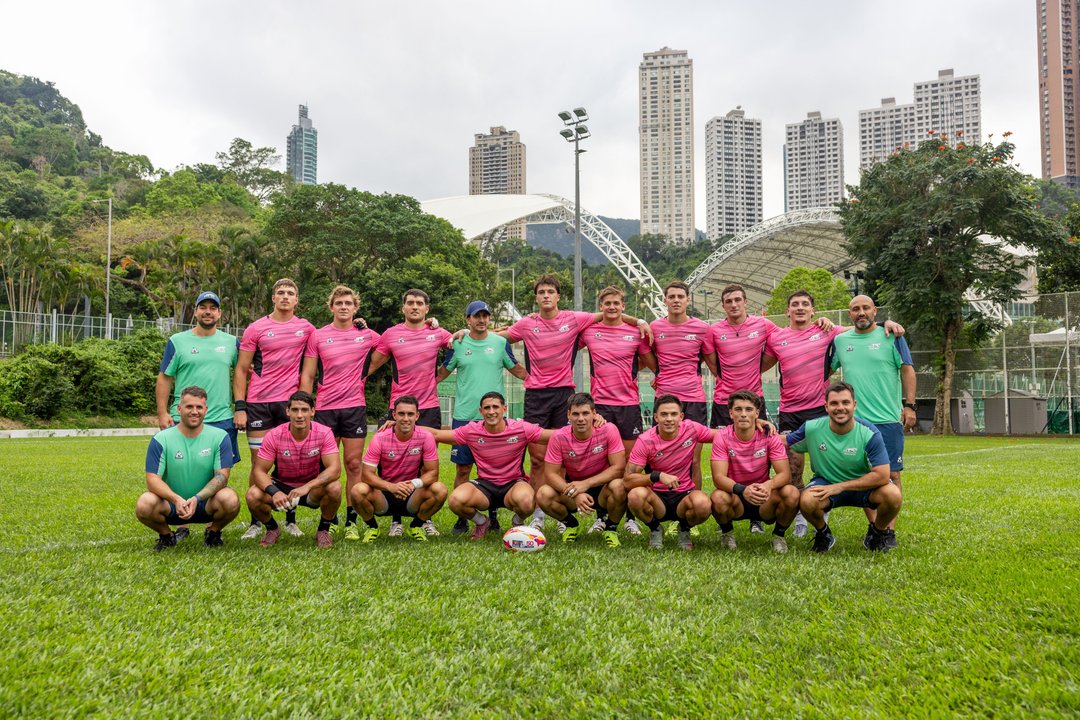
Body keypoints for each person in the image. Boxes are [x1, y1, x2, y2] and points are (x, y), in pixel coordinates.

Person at [500, 274, 649, 530]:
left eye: (550, 291)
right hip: (536, 396)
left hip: (564, 394)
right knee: (538, 459)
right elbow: (499, 338)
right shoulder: (526, 323)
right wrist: (469, 333)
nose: (546, 295)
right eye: (541, 292)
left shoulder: (574, 319)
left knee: (570, 457)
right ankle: (539, 515)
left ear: (558, 296)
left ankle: (606, 516)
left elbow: (609, 313)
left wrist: (641, 320)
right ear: (536, 297)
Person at [762, 290, 902, 537]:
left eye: (805, 304)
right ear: (787, 311)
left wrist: (885, 323)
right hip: (790, 409)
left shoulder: (827, 331)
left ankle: (821, 508)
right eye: (795, 304)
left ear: (813, 310)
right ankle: (801, 514)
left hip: (819, 407)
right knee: (793, 468)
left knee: (827, 461)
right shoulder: (776, 337)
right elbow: (761, 363)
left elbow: (860, 326)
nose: (800, 308)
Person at [831, 295, 916, 550]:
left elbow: (907, 370)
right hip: (856, 422)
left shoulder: (892, 336)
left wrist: (910, 405)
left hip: (888, 419)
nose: (861, 312)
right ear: (850, 314)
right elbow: (826, 369)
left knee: (892, 474)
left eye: (865, 308)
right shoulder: (841, 340)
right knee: (865, 475)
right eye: (855, 309)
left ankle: (888, 530)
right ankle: (875, 527)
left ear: (874, 311)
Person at [155, 290, 239, 543]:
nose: (208, 312)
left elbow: (242, 374)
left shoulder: (232, 342)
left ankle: (213, 527)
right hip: (181, 418)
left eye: (213, 308)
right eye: (203, 307)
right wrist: (162, 412)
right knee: (178, 470)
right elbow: (165, 377)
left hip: (221, 418)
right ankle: (182, 522)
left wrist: (241, 407)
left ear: (220, 313)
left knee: (218, 473)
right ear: (195, 311)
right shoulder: (178, 341)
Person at [436, 300, 526, 534]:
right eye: (476, 316)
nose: (481, 319)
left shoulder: (500, 343)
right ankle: (463, 518)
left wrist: (543, 383)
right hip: (464, 417)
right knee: (463, 469)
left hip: (494, 418)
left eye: (485, 315)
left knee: (494, 469)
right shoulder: (458, 343)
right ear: (468, 320)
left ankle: (493, 516)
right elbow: (441, 373)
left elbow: (517, 369)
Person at [235, 278, 315, 540]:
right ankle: (256, 522)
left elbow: (330, 338)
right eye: (280, 292)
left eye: (290, 293)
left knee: (290, 464)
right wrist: (240, 406)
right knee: (258, 462)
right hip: (258, 404)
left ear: (296, 300)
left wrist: (359, 324)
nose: (285, 296)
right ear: (273, 298)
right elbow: (241, 369)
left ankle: (291, 520)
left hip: (288, 404)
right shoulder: (256, 328)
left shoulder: (306, 328)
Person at [367, 288, 451, 537]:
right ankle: (396, 519)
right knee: (390, 464)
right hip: (398, 408)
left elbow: (460, 344)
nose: (415, 306)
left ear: (427, 308)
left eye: (419, 303)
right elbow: (371, 364)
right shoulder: (391, 334)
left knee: (425, 465)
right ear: (403, 307)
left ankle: (424, 519)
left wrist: (440, 375)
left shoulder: (437, 332)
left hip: (429, 407)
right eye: (410, 302)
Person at [299, 285, 381, 541]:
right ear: (331, 307)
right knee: (327, 467)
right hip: (325, 408)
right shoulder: (318, 336)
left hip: (354, 407)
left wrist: (432, 325)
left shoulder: (367, 335)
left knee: (354, 464)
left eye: (348, 303)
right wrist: (305, 405)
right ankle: (330, 519)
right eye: (339, 303)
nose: (344, 307)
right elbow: (308, 374)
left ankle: (351, 520)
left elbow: (392, 346)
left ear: (355, 307)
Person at [420, 391, 557, 540]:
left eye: (495, 407)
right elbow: (436, 435)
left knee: (526, 502)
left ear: (504, 409)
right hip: (485, 486)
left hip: (513, 483)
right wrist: (408, 426)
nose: (491, 412)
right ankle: (482, 522)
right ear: (481, 411)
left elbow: (552, 436)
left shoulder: (520, 428)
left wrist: (575, 429)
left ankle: (517, 523)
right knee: (455, 500)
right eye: (487, 408)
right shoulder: (472, 430)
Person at [786, 381, 902, 553]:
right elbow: (783, 442)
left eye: (845, 402)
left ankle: (876, 533)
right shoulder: (812, 428)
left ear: (854, 405)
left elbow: (883, 475)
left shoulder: (869, 432)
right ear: (826, 407)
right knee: (807, 500)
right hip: (826, 483)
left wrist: (840, 487)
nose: (840, 408)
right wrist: (757, 425)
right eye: (834, 403)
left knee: (893, 495)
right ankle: (824, 533)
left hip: (862, 487)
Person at [577, 286, 655, 535]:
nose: (612, 307)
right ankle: (602, 517)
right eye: (607, 303)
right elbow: (566, 338)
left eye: (616, 303)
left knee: (632, 464)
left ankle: (630, 518)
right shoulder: (590, 331)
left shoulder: (635, 332)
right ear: (601, 307)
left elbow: (651, 363)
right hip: (600, 406)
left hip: (628, 406)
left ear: (623, 306)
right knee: (603, 462)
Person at [136, 386, 239, 550]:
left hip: (205, 504)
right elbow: (152, 479)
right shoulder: (161, 439)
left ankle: (213, 533)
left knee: (230, 499)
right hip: (171, 506)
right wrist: (176, 499)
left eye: (199, 407)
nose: (194, 411)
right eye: (189, 406)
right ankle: (167, 536)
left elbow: (222, 476)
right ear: (179, 409)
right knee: (145, 503)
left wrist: (197, 498)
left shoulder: (220, 436)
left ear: (206, 410)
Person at [245, 391, 342, 549]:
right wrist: (274, 492)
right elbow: (259, 471)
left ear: (312, 411)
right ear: (287, 411)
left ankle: (323, 530)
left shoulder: (324, 432)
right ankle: (272, 529)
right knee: (253, 495)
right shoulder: (274, 435)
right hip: (282, 487)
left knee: (335, 487)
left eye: (304, 410)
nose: (299, 415)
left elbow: (335, 469)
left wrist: (308, 486)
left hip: (311, 489)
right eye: (295, 410)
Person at [650, 281, 718, 502]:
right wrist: (658, 374)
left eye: (680, 296)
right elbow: (646, 357)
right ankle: (661, 506)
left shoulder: (702, 328)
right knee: (659, 459)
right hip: (664, 399)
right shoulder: (655, 327)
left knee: (694, 459)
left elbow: (711, 362)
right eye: (672, 297)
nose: (676, 300)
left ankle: (693, 505)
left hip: (693, 399)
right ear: (665, 300)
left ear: (688, 299)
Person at [709, 390, 797, 553]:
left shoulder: (769, 435)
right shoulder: (722, 436)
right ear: (731, 413)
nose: (743, 414)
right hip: (736, 497)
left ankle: (779, 536)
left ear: (757, 413)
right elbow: (718, 478)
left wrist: (768, 485)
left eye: (748, 409)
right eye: (738, 409)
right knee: (718, 497)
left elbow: (785, 474)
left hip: (763, 497)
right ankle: (727, 533)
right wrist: (743, 490)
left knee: (791, 493)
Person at [535, 393, 627, 548]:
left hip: (603, 488)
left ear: (594, 414)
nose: (581, 419)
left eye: (585, 413)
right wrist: (575, 493)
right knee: (543, 494)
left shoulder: (609, 429)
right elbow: (550, 474)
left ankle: (611, 528)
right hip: (574, 488)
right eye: (576, 414)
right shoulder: (558, 436)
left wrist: (586, 484)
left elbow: (619, 468)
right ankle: (571, 525)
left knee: (619, 486)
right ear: (568, 415)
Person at [624, 395, 714, 550]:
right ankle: (655, 528)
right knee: (635, 496)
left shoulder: (691, 429)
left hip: (684, 495)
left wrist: (755, 423)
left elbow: (725, 435)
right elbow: (627, 481)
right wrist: (657, 476)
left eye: (673, 414)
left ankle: (684, 528)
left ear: (681, 416)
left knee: (703, 504)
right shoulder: (645, 440)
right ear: (656, 417)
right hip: (657, 498)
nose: (669, 419)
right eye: (664, 414)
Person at [352, 395, 446, 542]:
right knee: (358, 490)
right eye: (401, 414)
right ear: (394, 415)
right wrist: (391, 487)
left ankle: (416, 526)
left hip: (412, 493)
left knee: (440, 489)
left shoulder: (426, 437)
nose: (406, 418)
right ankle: (372, 528)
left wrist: (413, 484)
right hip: (385, 494)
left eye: (410, 414)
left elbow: (433, 473)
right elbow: (366, 475)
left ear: (417, 416)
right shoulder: (380, 437)